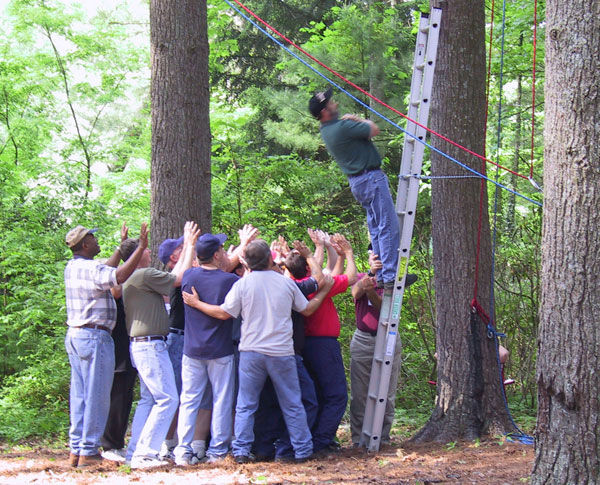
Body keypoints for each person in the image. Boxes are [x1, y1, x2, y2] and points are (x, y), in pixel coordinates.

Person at [182, 239, 334, 463]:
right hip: (281, 352)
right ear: (270, 259)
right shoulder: (285, 283)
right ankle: (302, 449)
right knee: (292, 402)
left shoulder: (243, 284)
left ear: (247, 262)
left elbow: (224, 313)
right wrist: (323, 293)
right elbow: (307, 308)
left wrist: (197, 304)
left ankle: (242, 450)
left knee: (246, 403)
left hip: (251, 352)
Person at [63, 222, 148, 468]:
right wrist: (139, 248)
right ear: (86, 245)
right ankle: (89, 452)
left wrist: (121, 251)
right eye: (94, 238)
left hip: (77, 336)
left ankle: (76, 449)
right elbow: (118, 276)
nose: (98, 242)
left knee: (80, 395)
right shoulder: (91, 268)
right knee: (98, 395)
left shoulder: (74, 267)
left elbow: (107, 269)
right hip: (94, 337)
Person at [121, 221, 199, 469]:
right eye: (144, 250)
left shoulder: (132, 277)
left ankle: (136, 451)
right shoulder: (143, 274)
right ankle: (145, 453)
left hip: (142, 344)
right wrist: (188, 244)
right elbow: (179, 278)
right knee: (167, 399)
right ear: (136, 256)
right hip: (150, 345)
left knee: (149, 399)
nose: (148, 252)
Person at [309, 88, 400, 288]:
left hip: (358, 182)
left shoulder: (327, 130)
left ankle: (384, 275)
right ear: (324, 111)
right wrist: (357, 120)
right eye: (331, 103)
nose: (336, 104)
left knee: (377, 228)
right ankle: (391, 275)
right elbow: (373, 129)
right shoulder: (342, 127)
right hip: (371, 178)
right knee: (387, 226)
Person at [287, 233, 357, 455]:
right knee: (336, 395)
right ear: (309, 268)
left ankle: (316, 437)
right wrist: (348, 253)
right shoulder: (316, 285)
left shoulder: (293, 284)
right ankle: (322, 440)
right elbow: (350, 277)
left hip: (302, 345)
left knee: (315, 393)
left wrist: (326, 250)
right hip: (323, 345)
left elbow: (332, 274)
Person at [174, 233, 240, 466]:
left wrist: (190, 245)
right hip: (220, 350)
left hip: (192, 349)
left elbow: (185, 270)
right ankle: (218, 450)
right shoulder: (229, 281)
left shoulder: (189, 276)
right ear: (215, 254)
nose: (224, 253)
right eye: (221, 249)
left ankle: (183, 450)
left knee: (189, 399)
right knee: (222, 399)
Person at [157, 235, 211, 462]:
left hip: (194, 336)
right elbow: (179, 277)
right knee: (176, 392)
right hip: (178, 337)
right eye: (181, 248)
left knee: (201, 392)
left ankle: (196, 445)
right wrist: (190, 245)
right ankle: (168, 444)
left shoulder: (190, 268)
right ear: (174, 257)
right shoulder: (175, 274)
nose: (188, 248)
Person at [349, 251, 402, 446]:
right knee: (359, 394)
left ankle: (383, 438)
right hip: (363, 340)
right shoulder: (362, 277)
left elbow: (386, 312)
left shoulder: (395, 282)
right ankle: (358, 440)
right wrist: (366, 283)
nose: (378, 260)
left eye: (381, 257)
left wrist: (372, 292)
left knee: (386, 394)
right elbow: (355, 293)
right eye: (373, 256)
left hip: (388, 338)